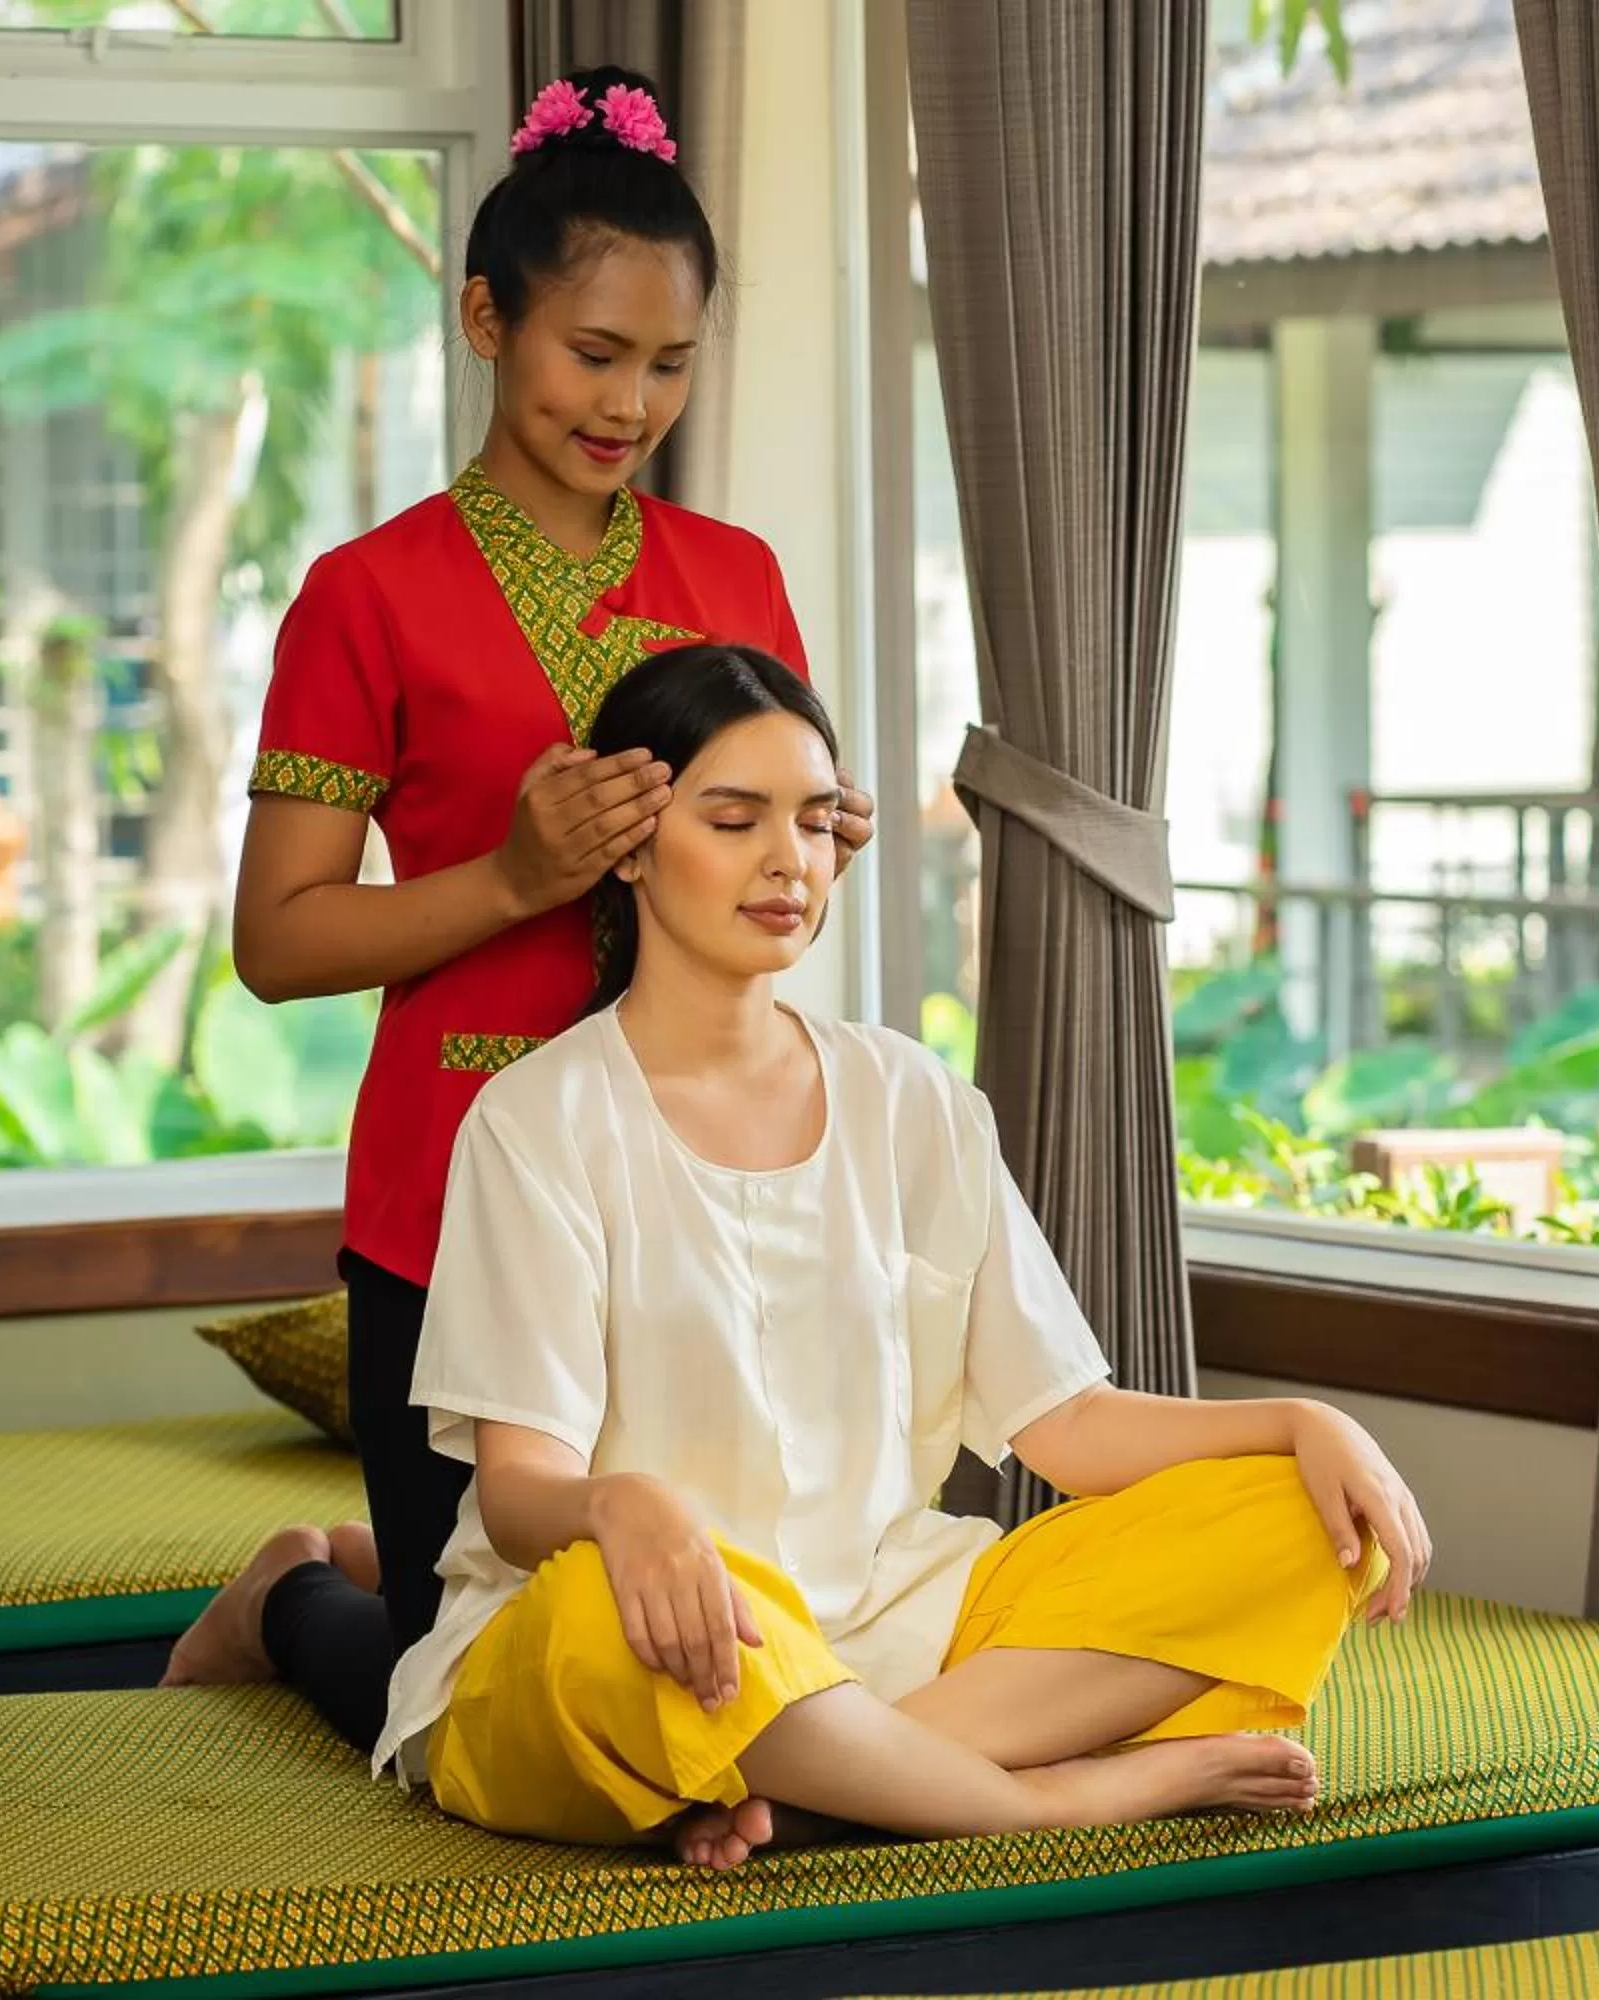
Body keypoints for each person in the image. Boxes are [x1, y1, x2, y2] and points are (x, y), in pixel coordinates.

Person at [171, 644, 1434, 1870]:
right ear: (631, 848)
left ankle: (825, 1787)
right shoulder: (536, 1119)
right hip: (634, 1637)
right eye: (735, 818)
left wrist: (1299, 1422)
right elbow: (517, 1492)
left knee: (1297, 1521)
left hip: (895, 1626)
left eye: (819, 822)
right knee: (612, 1628)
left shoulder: (916, 1098)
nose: (791, 860)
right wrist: (626, 1504)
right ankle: (1055, 1797)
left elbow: (1071, 1425)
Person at [226, 68, 872, 1657]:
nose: (630, 404)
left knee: (695, 1631)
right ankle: (291, 1601)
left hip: (695, 1181)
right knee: (472, 1685)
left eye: (668, 363)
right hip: (452, 1188)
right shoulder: (363, 597)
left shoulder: (739, 575)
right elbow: (278, 943)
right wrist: (517, 877)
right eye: (594, 352)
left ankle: (357, 1570)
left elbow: (768, 862)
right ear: (485, 319)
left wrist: (810, 834)